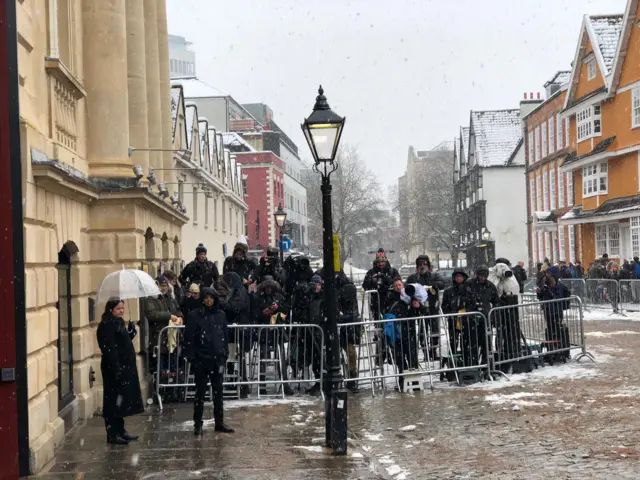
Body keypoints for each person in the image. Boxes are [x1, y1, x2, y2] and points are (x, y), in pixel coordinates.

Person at [184, 287, 234, 436]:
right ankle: (197, 423)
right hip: (201, 360)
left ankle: (219, 422)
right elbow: (189, 338)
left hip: (217, 360)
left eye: (211, 298)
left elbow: (224, 336)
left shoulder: (220, 315)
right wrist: (193, 357)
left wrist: (224, 355)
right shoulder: (194, 316)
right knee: (200, 393)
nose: (209, 300)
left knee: (218, 392)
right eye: (206, 298)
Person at [97, 298, 144, 445]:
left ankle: (121, 430)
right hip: (113, 368)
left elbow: (123, 342)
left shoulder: (118, 322)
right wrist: (116, 367)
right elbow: (110, 348)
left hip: (123, 367)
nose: (121, 311)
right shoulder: (106, 325)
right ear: (111, 309)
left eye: (122, 308)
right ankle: (112, 433)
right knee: (112, 400)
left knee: (120, 400)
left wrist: (130, 332)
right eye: (118, 308)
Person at [218, 272, 252, 398]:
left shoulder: (240, 292)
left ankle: (241, 384)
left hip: (240, 329)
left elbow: (235, 307)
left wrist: (220, 302)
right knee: (233, 356)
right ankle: (234, 382)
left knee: (239, 357)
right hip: (235, 330)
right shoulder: (237, 291)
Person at [143, 276, 183, 373]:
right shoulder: (150, 299)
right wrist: (169, 316)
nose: (164, 288)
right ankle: (160, 386)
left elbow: (177, 310)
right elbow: (152, 314)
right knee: (160, 369)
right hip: (159, 338)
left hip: (172, 338)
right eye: (161, 286)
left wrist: (180, 317)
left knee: (173, 369)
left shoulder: (169, 298)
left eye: (165, 285)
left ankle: (172, 386)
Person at [466, 265, 500, 366]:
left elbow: (496, 301)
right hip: (472, 318)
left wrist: (493, 316)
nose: (482, 278)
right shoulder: (470, 284)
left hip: (485, 318)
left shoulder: (490, 286)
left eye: (484, 276)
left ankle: (486, 364)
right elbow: (465, 298)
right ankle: (474, 363)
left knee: (486, 343)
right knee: (473, 343)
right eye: (480, 275)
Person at [536, 266, 571, 360]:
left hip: (556, 311)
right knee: (551, 331)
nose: (547, 275)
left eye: (548, 273)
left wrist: (561, 304)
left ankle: (558, 351)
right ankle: (553, 350)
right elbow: (540, 296)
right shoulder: (545, 283)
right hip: (548, 310)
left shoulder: (558, 285)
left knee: (556, 330)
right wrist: (540, 291)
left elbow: (563, 295)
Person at [362, 249, 399, 319]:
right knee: (379, 326)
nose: (381, 264)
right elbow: (365, 286)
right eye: (378, 261)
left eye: (383, 261)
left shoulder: (393, 271)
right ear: (376, 262)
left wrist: (386, 279)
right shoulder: (371, 272)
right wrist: (372, 281)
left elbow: (399, 283)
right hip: (376, 304)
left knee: (392, 324)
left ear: (386, 261)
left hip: (392, 303)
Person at [338, 282, 361, 392]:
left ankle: (352, 378)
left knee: (351, 354)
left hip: (348, 333)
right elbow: (338, 316)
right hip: (340, 333)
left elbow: (354, 316)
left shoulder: (352, 302)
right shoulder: (338, 300)